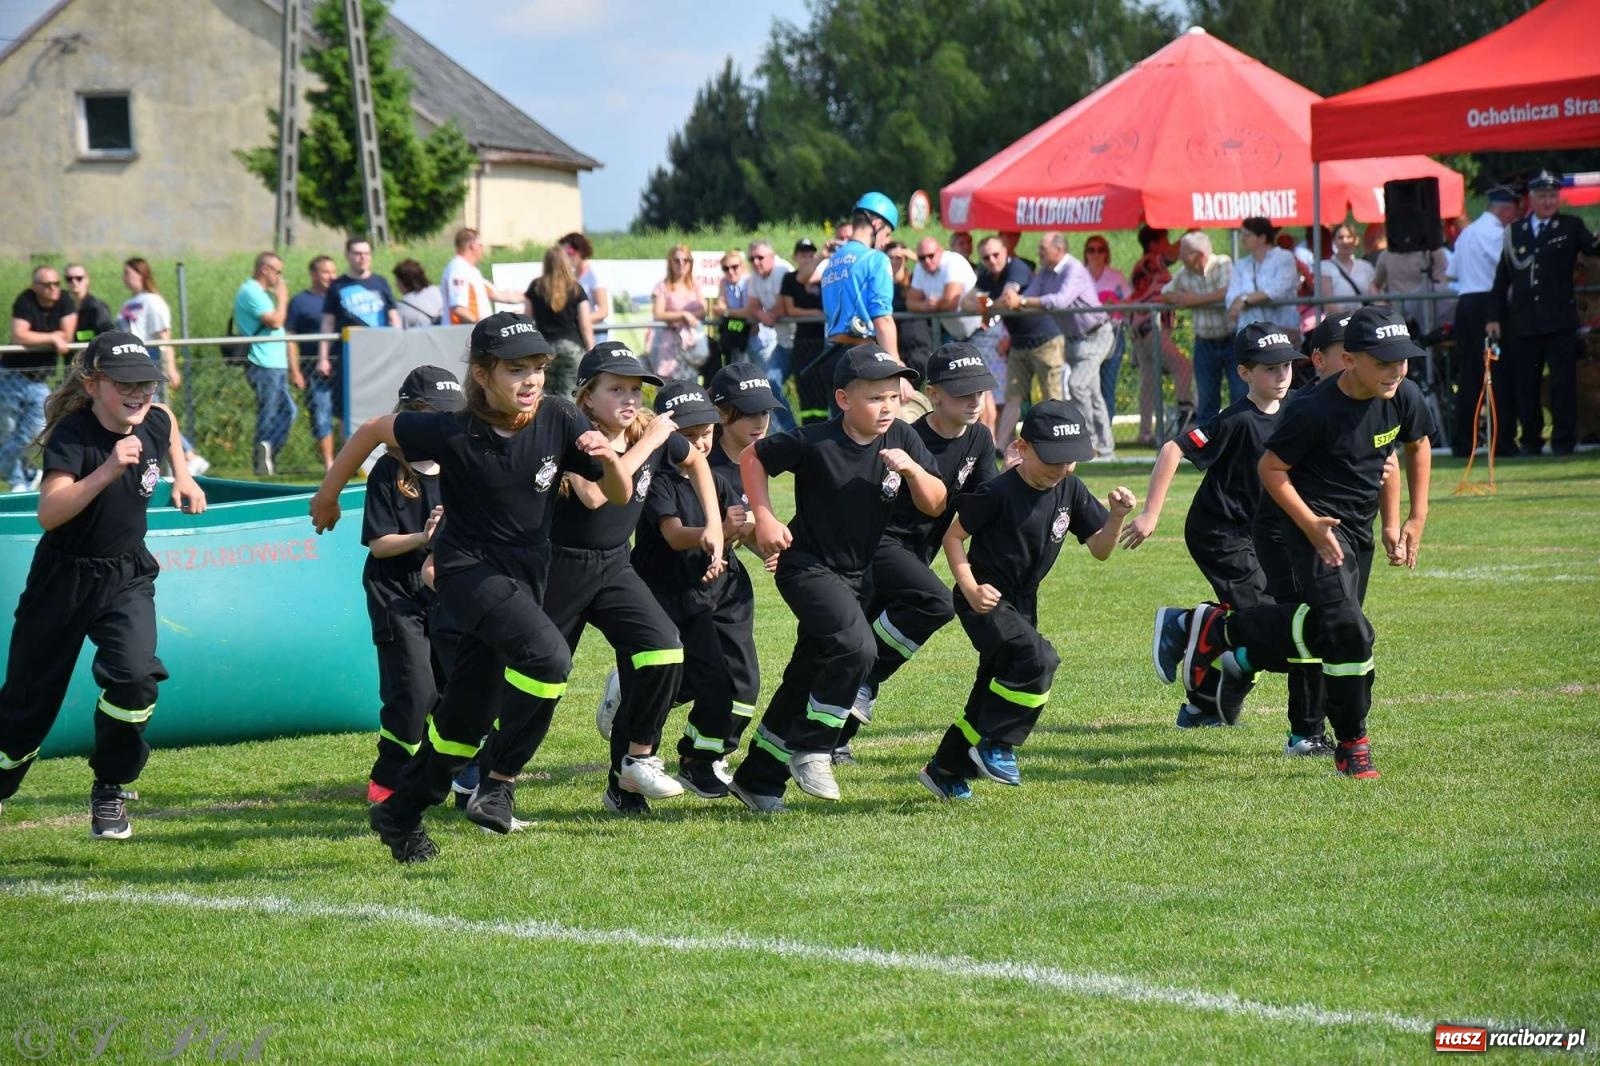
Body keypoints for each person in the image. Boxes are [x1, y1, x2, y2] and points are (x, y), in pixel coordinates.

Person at [311, 313, 633, 863]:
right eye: (516, 370)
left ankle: (400, 814)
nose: (531, 380)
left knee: (463, 724)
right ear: (482, 375)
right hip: (466, 574)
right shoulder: (451, 429)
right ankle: (499, 784)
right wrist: (327, 495)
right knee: (550, 660)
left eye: (538, 368)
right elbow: (372, 431)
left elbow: (620, 496)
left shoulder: (558, 416)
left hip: (525, 580)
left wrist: (608, 459)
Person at [1152, 305, 1433, 780]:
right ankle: (1348, 742)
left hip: (1353, 531)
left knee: (1332, 631)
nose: (1396, 370)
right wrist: (1310, 524)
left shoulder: (1402, 394)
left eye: (1402, 360)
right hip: (1295, 527)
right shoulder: (1312, 409)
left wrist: (1410, 519)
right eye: (1384, 362)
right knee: (1349, 629)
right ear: (1350, 361)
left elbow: (1413, 445)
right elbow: (1271, 469)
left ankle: (1222, 631)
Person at [482, 341, 721, 819]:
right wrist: (650, 443)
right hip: (559, 570)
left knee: (664, 649)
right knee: (540, 683)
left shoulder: (645, 429)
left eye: (635, 389)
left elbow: (695, 461)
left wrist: (713, 524)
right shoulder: (575, 434)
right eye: (616, 389)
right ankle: (494, 784)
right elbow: (597, 496)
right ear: (587, 395)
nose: (629, 399)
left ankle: (637, 760)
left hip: (614, 564)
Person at [0, 331, 205, 836]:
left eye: (146, 384)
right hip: (63, 580)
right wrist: (108, 470)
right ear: (93, 385)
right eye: (125, 385)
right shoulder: (74, 435)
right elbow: (49, 513)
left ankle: (110, 787)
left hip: (126, 574)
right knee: (26, 707)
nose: (139, 395)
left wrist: (183, 476)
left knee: (134, 678)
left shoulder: (154, 418)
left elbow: (168, 420)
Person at [728, 345, 943, 811]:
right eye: (875, 398)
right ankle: (814, 747)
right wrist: (765, 517)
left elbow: (935, 502)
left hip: (857, 575)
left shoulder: (902, 437)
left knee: (808, 673)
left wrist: (913, 471)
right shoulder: (815, 441)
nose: (887, 407)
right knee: (856, 648)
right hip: (805, 566)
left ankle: (757, 778)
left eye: (893, 396)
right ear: (844, 400)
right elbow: (752, 457)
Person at [921, 400, 1134, 799]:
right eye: (1052, 459)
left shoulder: (1070, 487)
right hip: (985, 599)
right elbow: (953, 537)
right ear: (1023, 447)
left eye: (1070, 459)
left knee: (990, 690)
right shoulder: (998, 491)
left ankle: (945, 770)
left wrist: (1116, 516)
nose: (1062, 468)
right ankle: (997, 744)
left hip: (1022, 602)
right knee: (1038, 660)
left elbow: (1100, 549)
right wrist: (970, 588)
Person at [1120, 324, 1297, 727]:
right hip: (1219, 532)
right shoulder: (1236, 419)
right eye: (1270, 368)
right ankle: (1184, 624)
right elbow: (1172, 449)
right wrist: (1150, 514)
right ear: (1245, 373)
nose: (1281, 375)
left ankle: (1203, 706)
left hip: (1260, 535)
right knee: (1263, 621)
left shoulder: (1296, 410)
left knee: (1275, 621)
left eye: (1286, 366)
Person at [837, 343, 999, 763]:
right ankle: (859, 686)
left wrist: (1013, 481)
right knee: (933, 605)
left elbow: (982, 501)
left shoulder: (980, 438)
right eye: (963, 392)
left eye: (979, 392)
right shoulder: (906, 436)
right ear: (934, 394)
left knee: (869, 639)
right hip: (878, 546)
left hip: (916, 555)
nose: (974, 401)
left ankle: (836, 740)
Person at [630, 380, 755, 798]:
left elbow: (733, 530)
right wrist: (711, 535)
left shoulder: (713, 480)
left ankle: (698, 761)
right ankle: (633, 751)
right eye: (689, 435)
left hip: (705, 594)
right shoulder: (658, 479)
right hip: (665, 596)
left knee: (726, 680)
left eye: (707, 433)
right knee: (675, 677)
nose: (700, 444)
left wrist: (753, 540)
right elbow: (674, 535)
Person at [360, 365, 463, 805]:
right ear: (409, 415)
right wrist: (424, 536)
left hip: (446, 592)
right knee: (415, 691)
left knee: (454, 690)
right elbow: (379, 544)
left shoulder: (460, 465)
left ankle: (450, 776)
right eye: (435, 416)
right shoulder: (388, 470)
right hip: (397, 593)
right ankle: (388, 778)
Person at [1487, 170, 1600, 457]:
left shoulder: (1571, 226)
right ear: (1532, 199)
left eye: (1552, 195)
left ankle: (1563, 441)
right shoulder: (1515, 232)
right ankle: (1531, 440)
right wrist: (1493, 317)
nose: (1548, 201)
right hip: (1524, 323)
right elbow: (1502, 279)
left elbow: (1594, 248)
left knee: (1563, 385)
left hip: (1560, 321)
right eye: (1542, 196)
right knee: (1527, 385)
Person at [1001, 232, 1114, 458]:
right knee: (1091, 392)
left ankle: (1091, 442)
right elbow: (1030, 295)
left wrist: (1020, 300)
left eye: (1043, 249)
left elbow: (1060, 301)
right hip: (1073, 339)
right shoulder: (1045, 272)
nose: (1039, 253)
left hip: (1096, 335)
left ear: (1059, 250)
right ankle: (1106, 447)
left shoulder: (1074, 270)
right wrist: (1012, 297)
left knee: (1077, 385)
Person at [811, 192, 903, 418]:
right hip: (863, 358)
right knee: (878, 430)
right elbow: (883, 319)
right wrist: (895, 369)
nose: (886, 241)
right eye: (887, 233)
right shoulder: (875, 259)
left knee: (841, 431)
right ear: (876, 223)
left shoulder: (832, 262)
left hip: (832, 357)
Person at [1448, 185, 1522, 458]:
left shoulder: (1467, 233)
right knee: (1500, 375)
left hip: (1466, 303)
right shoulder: (1498, 235)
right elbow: (1507, 272)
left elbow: (1452, 273)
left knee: (1470, 375)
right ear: (1506, 210)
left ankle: (1463, 442)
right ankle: (1502, 442)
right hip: (1490, 305)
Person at [316, 237, 400, 470]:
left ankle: (387, 457)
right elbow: (327, 323)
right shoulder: (337, 286)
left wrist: (399, 345)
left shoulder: (380, 283)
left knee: (385, 404)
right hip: (350, 358)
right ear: (348, 256)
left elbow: (394, 317)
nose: (362, 257)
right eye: (357, 253)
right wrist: (323, 357)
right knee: (348, 409)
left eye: (366, 253)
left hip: (381, 354)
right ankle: (351, 462)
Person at [963, 235, 1054, 448]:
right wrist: (985, 307)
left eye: (996, 255)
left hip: (1045, 340)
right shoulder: (987, 276)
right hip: (1019, 342)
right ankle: (1001, 447)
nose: (992, 260)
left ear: (1006, 252)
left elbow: (1008, 300)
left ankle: (1055, 443)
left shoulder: (1017, 268)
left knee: (1051, 395)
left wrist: (986, 307)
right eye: (986, 257)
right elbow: (966, 302)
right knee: (1013, 397)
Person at [6, 267, 77, 491]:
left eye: (56, 283)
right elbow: (20, 334)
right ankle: (19, 480)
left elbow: (67, 335)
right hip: (10, 376)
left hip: (39, 381)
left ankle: (18, 473)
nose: (53, 288)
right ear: (35, 286)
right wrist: (52, 337)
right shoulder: (25, 300)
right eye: (47, 284)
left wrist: (42, 337)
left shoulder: (64, 301)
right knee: (7, 431)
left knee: (37, 429)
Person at [234, 252, 295, 477]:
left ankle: (268, 451)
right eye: (277, 271)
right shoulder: (251, 291)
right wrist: (283, 297)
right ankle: (262, 458)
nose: (280, 277)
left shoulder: (261, 294)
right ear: (264, 269)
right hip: (263, 362)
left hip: (275, 362)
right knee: (269, 412)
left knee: (287, 411)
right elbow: (276, 321)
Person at [524, 245, 594, 399]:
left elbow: (527, 319)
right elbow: (585, 325)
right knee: (571, 396)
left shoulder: (536, 287)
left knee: (543, 395)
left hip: (544, 348)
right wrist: (591, 352)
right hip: (572, 347)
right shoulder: (576, 288)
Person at [287, 255, 335, 464]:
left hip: (343, 366)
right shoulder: (299, 302)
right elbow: (290, 338)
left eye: (333, 272)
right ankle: (329, 464)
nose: (331, 276)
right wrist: (295, 370)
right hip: (315, 371)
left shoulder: (339, 298)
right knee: (321, 414)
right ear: (313, 274)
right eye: (326, 272)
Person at [1226, 217, 1301, 347]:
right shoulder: (1241, 265)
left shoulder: (1284, 258)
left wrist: (1244, 300)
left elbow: (1277, 290)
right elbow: (1231, 297)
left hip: (1281, 333)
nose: (1242, 239)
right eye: (1241, 234)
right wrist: (1251, 299)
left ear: (1262, 238)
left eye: (1247, 235)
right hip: (1249, 335)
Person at [773, 238, 821, 429]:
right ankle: (807, 430)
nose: (807, 258)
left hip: (823, 340)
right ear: (795, 257)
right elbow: (790, 310)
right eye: (803, 254)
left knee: (821, 388)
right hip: (802, 341)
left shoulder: (825, 277)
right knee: (804, 387)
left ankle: (824, 427)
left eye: (811, 254)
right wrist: (814, 313)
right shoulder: (790, 279)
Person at [116, 259, 183, 387]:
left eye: (127, 272)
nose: (124, 277)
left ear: (140, 274)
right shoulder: (127, 303)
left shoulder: (153, 300)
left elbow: (164, 336)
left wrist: (171, 368)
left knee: (150, 394)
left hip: (148, 356)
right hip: (128, 358)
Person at [439, 227, 523, 325]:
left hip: (474, 331)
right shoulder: (458, 269)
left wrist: (529, 296)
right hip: (463, 332)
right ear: (472, 245)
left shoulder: (471, 271)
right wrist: (484, 325)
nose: (482, 249)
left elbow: (498, 294)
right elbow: (459, 309)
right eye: (481, 245)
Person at [1083, 236, 1128, 419]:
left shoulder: (1116, 276)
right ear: (1086, 254)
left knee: (1107, 385)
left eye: (1100, 250)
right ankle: (1088, 428)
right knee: (1085, 386)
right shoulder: (1079, 277)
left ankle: (1105, 428)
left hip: (1113, 335)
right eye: (1091, 250)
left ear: (1106, 253)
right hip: (1085, 337)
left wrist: (1114, 304)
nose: (1096, 254)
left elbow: (1129, 300)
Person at [649, 244, 707, 383]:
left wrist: (689, 317)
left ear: (690, 263)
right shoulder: (662, 286)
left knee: (690, 384)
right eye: (676, 260)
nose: (681, 264)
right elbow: (658, 314)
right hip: (669, 343)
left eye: (685, 260)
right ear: (670, 263)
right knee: (668, 384)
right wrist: (683, 315)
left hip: (691, 342)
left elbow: (703, 309)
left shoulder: (695, 284)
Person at [907, 237, 980, 347]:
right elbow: (910, 303)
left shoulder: (953, 261)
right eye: (922, 258)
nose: (927, 261)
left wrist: (933, 306)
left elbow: (951, 303)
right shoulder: (920, 267)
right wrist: (925, 306)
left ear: (940, 251)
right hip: (954, 335)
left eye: (931, 255)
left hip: (981, 329)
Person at [741, 238, 793, 374]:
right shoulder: (755, 275)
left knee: (808, 385)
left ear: (772, 256)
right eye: (751, 259)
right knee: (770, 382)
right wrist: (761, 315)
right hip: (782, 342)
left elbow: (782, 307)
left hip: (802, 340)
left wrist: (768, 316)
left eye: (760, 257)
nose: (755, 262)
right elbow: (752, 305)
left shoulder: (782, 270)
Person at [886, 242, 936, 380]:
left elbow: (931, 268)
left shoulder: (915, 279)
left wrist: (914, 256)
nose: (894, 261)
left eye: (899, 257)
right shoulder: (881, 283)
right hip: (893, 334)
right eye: (890, 257)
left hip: (915, 336)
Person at [560, 232, 610, 343]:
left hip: (595, 332)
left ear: (581, 251)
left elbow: (603, 311)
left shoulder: (594, 274)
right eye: (562, 254)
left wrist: (577, 321)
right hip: (577, 332)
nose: (565, 258)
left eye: (569, 252)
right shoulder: (571, 276)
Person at [1317, 224, 1374, 317]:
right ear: (1334, 241)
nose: (1345, 241)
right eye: (1340, 238)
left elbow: (1375, 297)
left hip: (1364, 319)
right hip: (1338, 320)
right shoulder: (1325, 267)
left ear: (1355, 240)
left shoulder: (1366, 266)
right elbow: (1329, 303)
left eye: (1349, 237)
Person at [715, 248, 753, 368]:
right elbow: (719, 306)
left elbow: (748, 312)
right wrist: (733, 312)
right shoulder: (724, 282)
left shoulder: (749, 281)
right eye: (726, 268)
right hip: (733, 332)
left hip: (752, 333)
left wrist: (727, 312)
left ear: (742, 266)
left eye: (735, 267)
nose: (730, 271)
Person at [64, 265, 115, 342]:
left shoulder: (97, 307)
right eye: (69, 279)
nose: (74, 282)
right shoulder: (63, 307)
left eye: (79, 278)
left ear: (87, 280)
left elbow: (108, 335)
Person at [392, 259, 444, 328]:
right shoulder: (438, 291)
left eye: (398, 281)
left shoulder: (402, 306)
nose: (396, 285)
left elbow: (398, 331)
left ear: (404, 283)